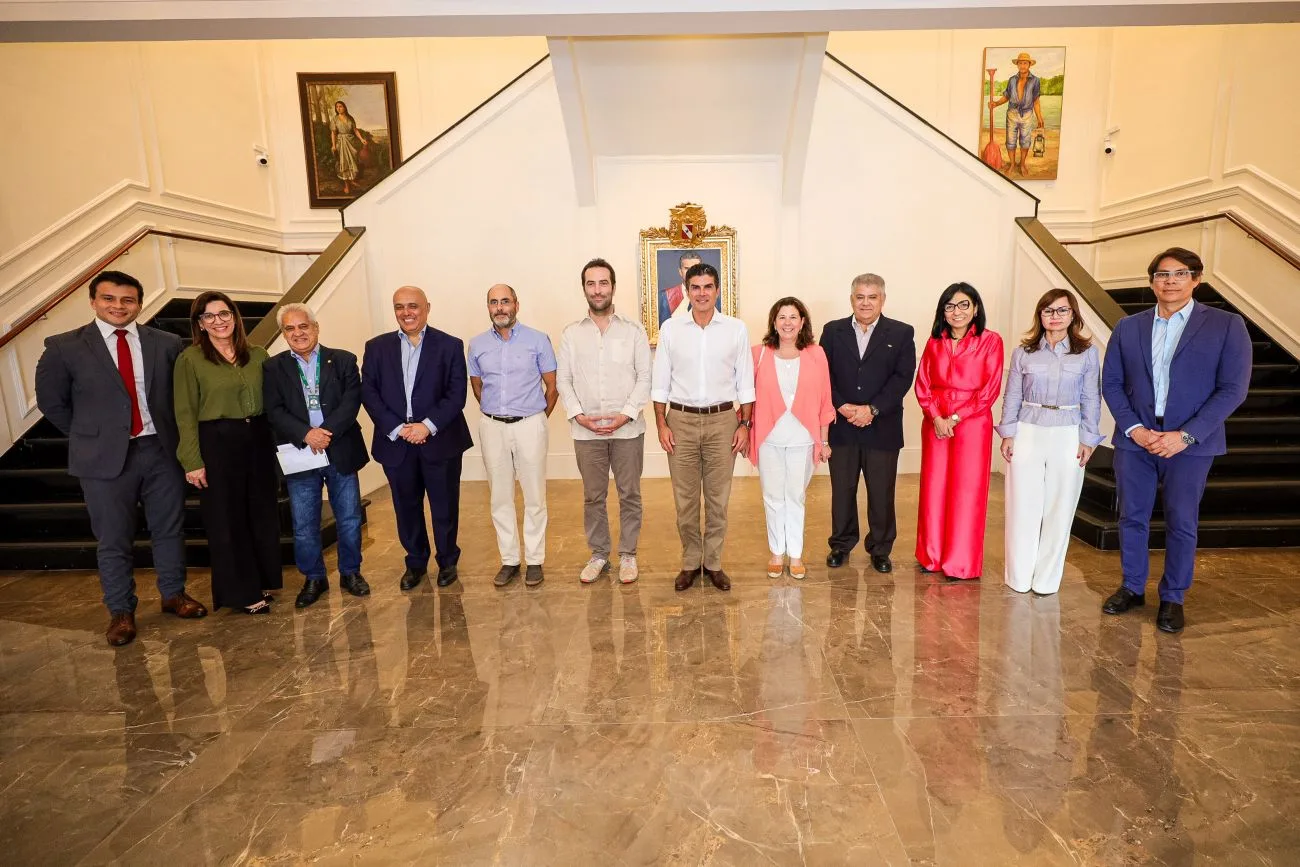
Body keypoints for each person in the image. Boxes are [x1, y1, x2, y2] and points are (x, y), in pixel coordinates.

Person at [34, 270, 205, 646]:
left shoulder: (167, 343)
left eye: (127, 300)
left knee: (170, 528)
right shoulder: (64, 346)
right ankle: (121, 611)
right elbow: (53, 402)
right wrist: (93, 436)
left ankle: (174, 594)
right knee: (113, 538)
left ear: (139, 304)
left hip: (160, 451)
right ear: (94, 301)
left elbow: (179, 396)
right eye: (109, 299)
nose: (118, 306)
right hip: (103, 459)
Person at [1100, 247, 1251, 633]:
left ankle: (1173, 597)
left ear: (1196, 279)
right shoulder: (1128, 327)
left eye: (1180, 274)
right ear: (1151, 281)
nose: (1170, 281)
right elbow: (1113, 384)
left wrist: (1186, 435)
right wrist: (1136, 429)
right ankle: (1133, 587)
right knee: (1131, 516)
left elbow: (1233, 389)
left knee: (1182, 521)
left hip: (1191, 444)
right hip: (1137, 439)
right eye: (1162, 275)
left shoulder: (1226, 325)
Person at [174, 290, 283, 614]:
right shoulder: (190, 359)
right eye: (209, 316)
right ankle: (241, 592)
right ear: (200, 324)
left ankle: (260, 581)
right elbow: (185, 412)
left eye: (223, 314)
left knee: (260, 514)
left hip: (259, 438)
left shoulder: (259, 354)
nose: (218, 321)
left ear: (235, 317)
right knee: (227, 518)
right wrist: (191, 460)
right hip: (218, 441)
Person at [651, 262, 755, 592]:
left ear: (718, 290)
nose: (702, 293)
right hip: (679, 421)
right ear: (686, 291)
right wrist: (661, 425)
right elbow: (660, 383)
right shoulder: (671, 329)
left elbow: (746, 384)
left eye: (708, 286)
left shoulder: (736, 329)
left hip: (724, 421)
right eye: (695, 287)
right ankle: (689, 562)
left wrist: (744, 425)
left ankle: (713, 563)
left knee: (718, 498)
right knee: (685, 500)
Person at [361, 286, 473, 591]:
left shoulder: (450, 345)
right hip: (396, 443)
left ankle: (448, 560)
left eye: (413, 306)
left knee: (444, 505)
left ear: (427, 308)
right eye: (399, 307)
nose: (406, 313)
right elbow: (369, 392)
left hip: (440, 439)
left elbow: (456, 394)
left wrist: (426, 426)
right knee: (405, 506)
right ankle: (416, 561)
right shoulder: (376, 347)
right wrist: (398, 429)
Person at [997, 288, 1103, 595]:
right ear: (1039, 315)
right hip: (1028, 428)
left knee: (1060, 506)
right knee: (1022, 506)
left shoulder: (1087, 353)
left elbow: (1091, 398)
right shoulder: (1024, 352)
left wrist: (1088, 438)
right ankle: (1018, 576)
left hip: (1068, 432)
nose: (1054, 317)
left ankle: (1046, 580)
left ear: (1073, 315)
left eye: (1061, 311)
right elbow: (1013, 394)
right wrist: (1008, 432)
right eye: (1048, 311)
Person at [263, 303, 370, 608]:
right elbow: (274, 410)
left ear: (315, 327)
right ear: (284, 333)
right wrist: (306, 434)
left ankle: (351, 573)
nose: (298, 333)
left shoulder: (344, 360)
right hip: (300, 453)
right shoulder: (273, 367)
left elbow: (351, 402)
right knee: (304, 523)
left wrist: (324, 433)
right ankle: (314, 578)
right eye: (290, 328)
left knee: (349, 518)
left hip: (340, 450)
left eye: (303, 326)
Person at [556, 258, 652, 585]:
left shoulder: (634, 330)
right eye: (591, 284)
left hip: (628, 430)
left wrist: (625, 414)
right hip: (586, 433)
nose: (598, 290)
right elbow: (564, 380)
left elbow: (644, 378)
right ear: (584, 288)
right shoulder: (571, 334)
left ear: (613, 286)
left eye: (603, 283)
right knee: (593, 496)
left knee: (630, 494)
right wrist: (578, 416)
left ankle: (628, 555)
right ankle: (599, 554)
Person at [820, 273, 917, 573]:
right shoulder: (833, 331)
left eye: (872, 297)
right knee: (843, 490)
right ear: (851, 299)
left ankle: (880, 548)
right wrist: (842, 405)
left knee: (881, 492)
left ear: (882, 300)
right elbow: (823, 374)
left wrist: (872, 409)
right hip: (842, 425)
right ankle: (841, 543)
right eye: (860, 296)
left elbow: (903, 378)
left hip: (882, 427)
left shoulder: (901, 333)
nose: (865, 302)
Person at [469, 284, 558, 588]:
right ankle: (509, 560)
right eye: (493, 302)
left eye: (505, 301)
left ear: (516, 305)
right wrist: (496, 413)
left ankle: (534, 560)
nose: (500, 308)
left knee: (534, 495)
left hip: (530, 424)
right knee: (499, 496)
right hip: (492, 426)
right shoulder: (477, 344)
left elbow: (552, 386)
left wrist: (535, 419)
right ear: (488, 307)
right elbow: (478, 386)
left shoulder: (538, 340)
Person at [914, 282, 1004, 581]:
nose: (957, 311)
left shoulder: (991, 341)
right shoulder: (934, 342)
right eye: (950, 306)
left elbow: (990, 390)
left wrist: (955, 417)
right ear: (943, 311)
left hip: (972, 422)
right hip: (936, 421)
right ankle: (931, 555)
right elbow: (923, 384)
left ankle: (960, 562)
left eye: (964, 305)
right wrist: (936, 416)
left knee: (966, 491)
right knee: (934, 487)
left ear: (975, 308)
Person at [748, 297, 834, 579]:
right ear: (774, 322)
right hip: (769, 439)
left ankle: (795, 554)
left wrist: (824, 440)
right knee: (773, 496)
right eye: (781, 317)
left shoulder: (816, 354)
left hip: (803, 438)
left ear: (802, 322)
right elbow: (746, 398)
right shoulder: (758, 353)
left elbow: (825, 400)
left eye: (793, 317)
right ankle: (776, 551)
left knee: (795, 497)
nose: (787, 322)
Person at [987, 52, 1045, 177]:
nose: (1023, 65)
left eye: (1025, 63)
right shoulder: (1012, 80)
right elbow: (1006, 96)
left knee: (1025, 141)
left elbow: (1036, 101)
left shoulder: (1035, 81)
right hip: (1012, 114)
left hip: (1027, 114)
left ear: (1029, 65)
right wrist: (995, 104)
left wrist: (1040, 117)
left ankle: (1022, 164)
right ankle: (1013, 164)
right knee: (1010, 141)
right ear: (1017, 65)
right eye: (1020, 63)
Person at [658, 252, 701, 326]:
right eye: (687, 268)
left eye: (695, 268)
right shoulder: (665, 296)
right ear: (680, 272)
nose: (691, 272)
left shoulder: (712, 298)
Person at [330, 101, 362, 196]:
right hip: (341, 142)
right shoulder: (335, 119)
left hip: (350, 142)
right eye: (337, 107)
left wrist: (361, 139)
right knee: (344, 163)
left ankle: (351, 180)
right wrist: (334, 145)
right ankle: (347, 186)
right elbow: (333, 133)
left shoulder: (350, 118)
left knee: (353, 161)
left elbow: (355, 130)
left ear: (345, 107)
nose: (338, 108)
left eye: (340, 106)